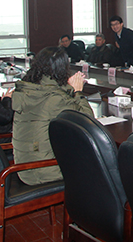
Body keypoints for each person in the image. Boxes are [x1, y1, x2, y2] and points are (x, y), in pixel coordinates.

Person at [12, 46, 94, 185]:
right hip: (42, 169)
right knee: (97, 161)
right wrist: (78, 92)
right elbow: (87, 119)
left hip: (24, 162)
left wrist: (68, 87)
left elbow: (56, 94)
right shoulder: (54, 98)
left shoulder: (30, 88)